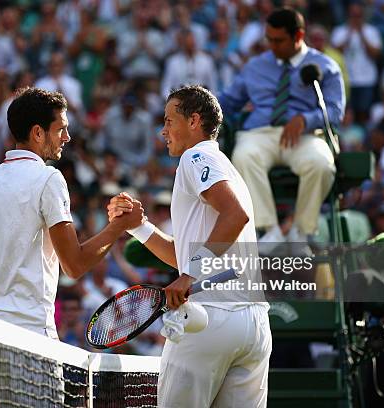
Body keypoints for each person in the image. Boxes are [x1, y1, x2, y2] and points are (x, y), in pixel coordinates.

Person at [109, 85, 271, 408]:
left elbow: (233, 216)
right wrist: (139, 227)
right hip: (254, 328)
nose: (163, 130)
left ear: (194, 121)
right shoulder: (229, 170)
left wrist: (190, 275)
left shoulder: (194, 157)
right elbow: (184, 256)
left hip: (208, 318)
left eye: (169, 121)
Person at [0, 87, 144, 339]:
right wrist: (118, 226)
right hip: (31, 335)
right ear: (38, 132)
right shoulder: (49, 178)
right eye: (61, 129)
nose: (67, 137)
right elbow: (74, 265)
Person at [219, 7, 345, 246]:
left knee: (321, 163)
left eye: (279, 40)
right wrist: (199, 103)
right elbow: (228, 102)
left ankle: (301, 232)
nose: (272, 46)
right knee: (243, 156)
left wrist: (306, 119)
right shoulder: (255, 66)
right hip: (259, 134)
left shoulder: (325, 65)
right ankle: (269, 231)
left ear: (298, 36)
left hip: (305, 136)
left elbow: (335, 111)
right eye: (269, 39)